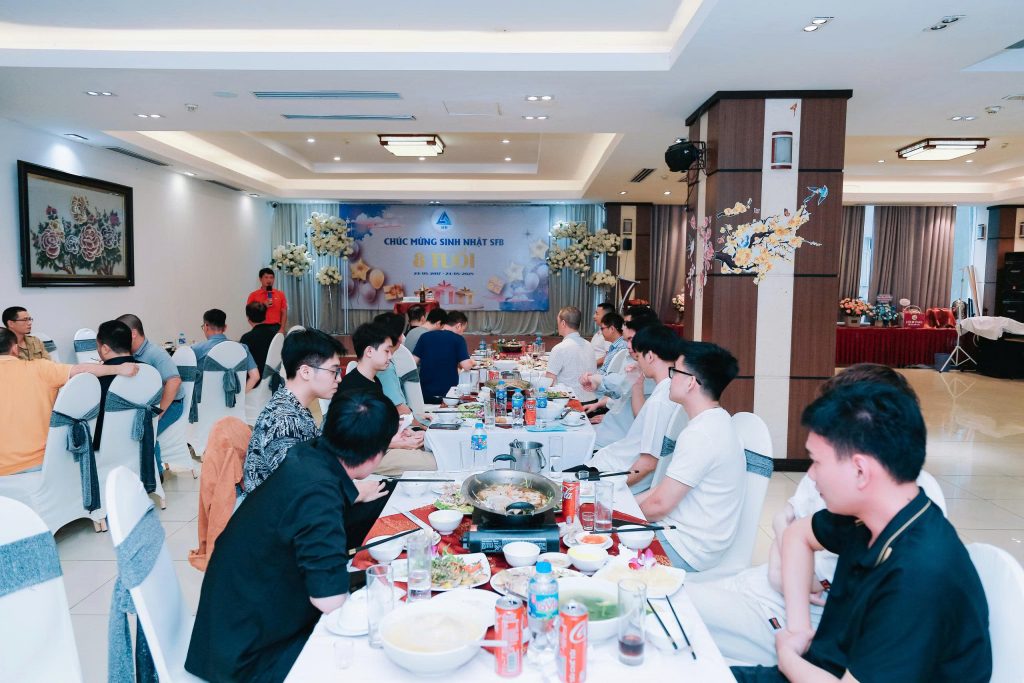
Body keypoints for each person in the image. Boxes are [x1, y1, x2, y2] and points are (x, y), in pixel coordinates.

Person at [732, 382, 992, 683]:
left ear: (860, 471)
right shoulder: (869, 517)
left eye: (816, 462)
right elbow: (796, 535)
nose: (811, 475)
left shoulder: (918, 575)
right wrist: (799, 631)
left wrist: (788, 658)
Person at [689, 364, 942, 667]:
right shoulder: (847, 493)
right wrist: (782, 569)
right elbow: (792, 527)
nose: (810, 473)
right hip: (768, 594)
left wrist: (791, 646)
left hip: (792, 620)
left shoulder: (904, 527)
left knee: (665, 610)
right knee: (666, 603)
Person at [185, 391, 399, 683]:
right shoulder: (319, 495)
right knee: (382, 654)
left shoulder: (308, 454)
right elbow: (329, 601)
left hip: (230, 630)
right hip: (251, 658)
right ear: (375, 456)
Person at [637, 341, 745, 572]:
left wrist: (616, 516)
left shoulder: (701, 434)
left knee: (597, 549)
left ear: (690, 382)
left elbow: (658, 505)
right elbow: (664, 491)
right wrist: (620, 506)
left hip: (684, 548)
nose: (670, 378)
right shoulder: (715, 420)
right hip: (684, 537)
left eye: (675, 371)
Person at [0, 328, 139, 476]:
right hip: (43, 464)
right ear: (15, 349)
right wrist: (119, 368)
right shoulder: (40, 368)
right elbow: (82, 370)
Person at [242, 328, 347, 492]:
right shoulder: (283, 419)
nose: (339, 378)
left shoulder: (294, 406)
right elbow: (299, 487)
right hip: (277, 506)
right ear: (306, 372)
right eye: (334, 371)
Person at [585, 325, 682, 486]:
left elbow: (648, 464)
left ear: (649, 356)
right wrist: (637, 382)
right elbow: (641, 417)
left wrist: (615, 487)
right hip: (613, 461)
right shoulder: (670, 389)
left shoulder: (660, 400)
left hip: (614, 471)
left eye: (638, 356)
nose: (637, 360)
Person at [334, 323, 432, 473]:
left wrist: (402, 433)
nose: (390, 356)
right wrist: (398, 443)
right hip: (365, 458)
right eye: (386, 351)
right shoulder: (353, 388)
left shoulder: (374, 381)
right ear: (369, 351)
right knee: (436, 462)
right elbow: (352, 440)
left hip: (381, 449)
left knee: (434, 449)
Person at [117, 313, 185, 467]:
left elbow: (174, 382)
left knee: (144, 431)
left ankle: (156, 474)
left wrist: (158, 412)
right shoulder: (131, 353)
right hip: (146, 404)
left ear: (133, 334)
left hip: (172, 404)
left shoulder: (155, 353)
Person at [583, 316, 657, 447]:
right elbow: (621, 392)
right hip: (611, 424)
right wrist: (600, 403)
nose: (628, 345)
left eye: (631, 339)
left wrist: (597, 380)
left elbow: (622, 386)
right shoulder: (629, 357)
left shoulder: (650, 369)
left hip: (617, 437)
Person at [91, 320, 136, 449]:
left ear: (105, 349)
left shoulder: (96, 380)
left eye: (98, 346)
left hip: (104, 448)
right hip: (141, 443)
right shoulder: (150, 371)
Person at [412, 310, 473, 403]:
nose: (462, 333)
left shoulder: (425, 336)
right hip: (449, 395)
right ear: (458, 325)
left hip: (425, 393)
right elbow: (466, 366)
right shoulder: (458, 339)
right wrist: (473, 362)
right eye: (463, 330)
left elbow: (413, 362)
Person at [192, 308, 260, 392]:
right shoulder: (242, 348)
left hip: (203, 399)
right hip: (231, 399)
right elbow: (255, 376)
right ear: (225, 328)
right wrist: (240, 396)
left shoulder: (196, 349)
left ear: (206, 327)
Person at [545, 306, 596, 402]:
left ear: (563, 323)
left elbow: (549, 381)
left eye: (558, 322)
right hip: (592, 400)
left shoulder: (559, 348)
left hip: (570, 402)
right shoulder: (590, 345)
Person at [373, 312, 414, 415]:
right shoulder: (385, 367)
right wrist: (418, 419)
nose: (402, 337)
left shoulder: (375, 359)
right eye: (401, 333)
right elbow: (399, 409)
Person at [239, 301, 280, 385]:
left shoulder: (247, 338)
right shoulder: (275, 335)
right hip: (273, 377)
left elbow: (242, 363)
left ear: (248, 318)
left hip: (255, 380)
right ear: (265, 317)